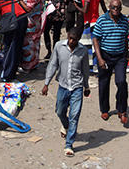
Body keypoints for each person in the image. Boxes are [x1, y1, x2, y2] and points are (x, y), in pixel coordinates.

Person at [42, 26, 91, 157]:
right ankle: (65, 125)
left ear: (78, 39)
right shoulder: (59, 46)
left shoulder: (83, 51)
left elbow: (85, 70)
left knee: (75, 116)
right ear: (67, 35)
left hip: (77, 87)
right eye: (70, 38)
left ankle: (69, 145)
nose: (71, 41)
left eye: (74, 40)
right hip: (63, 86)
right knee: (59, 111)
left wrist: (86, 87)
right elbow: (53, 64)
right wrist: (46, 83)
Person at [92, 0, 129, 127]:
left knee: (121, 82)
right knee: (104, 83)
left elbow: (125, 38)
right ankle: (104, 109)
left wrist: (126, 55)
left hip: (120, 57)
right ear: (109, 8)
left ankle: (122, 110)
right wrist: (100, 59)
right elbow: (95, 39)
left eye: (118, 8)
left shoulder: (125, 21)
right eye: (114, 7)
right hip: (105, 55)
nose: (116, 10)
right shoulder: (102, 20)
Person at [21, 0, 44, 72]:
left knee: (29, 45)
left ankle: (28, 66)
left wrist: (19, 0)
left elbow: (28, 9)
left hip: (31, 24)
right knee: (35, 43)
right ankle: (34, 63)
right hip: (37, 21)